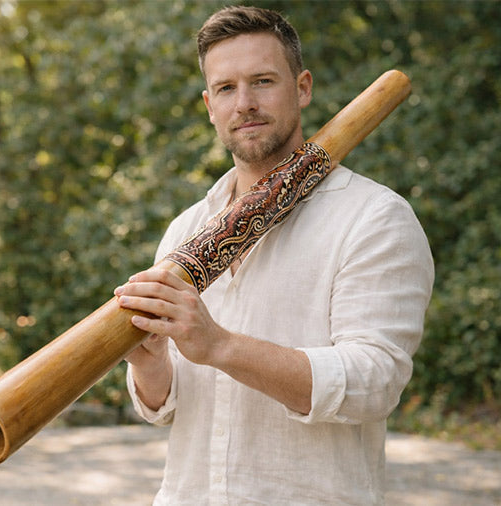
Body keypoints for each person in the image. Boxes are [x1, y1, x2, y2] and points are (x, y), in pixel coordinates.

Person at [113, 6, 435, 505]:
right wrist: (150, 364)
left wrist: (219, 345)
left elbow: (374, 383)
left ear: (301, 87)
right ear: (209, 104)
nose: (245, 103)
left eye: (262, 81)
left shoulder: (374, 218)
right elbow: (167, 407)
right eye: (226, 89)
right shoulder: (185, 230)